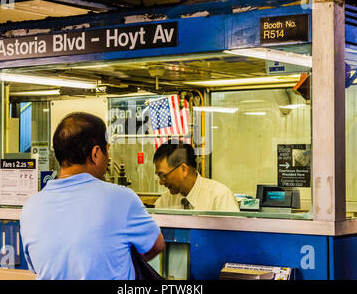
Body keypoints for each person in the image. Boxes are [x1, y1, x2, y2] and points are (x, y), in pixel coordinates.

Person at [20, 112, 165, 280]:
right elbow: (156, 244)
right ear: (96, 153)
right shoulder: (120, 198)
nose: (109, 158)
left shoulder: (31, 207)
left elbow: (37, 267)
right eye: (107, 151)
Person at [153, 141, 240, 212]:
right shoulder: (163, 203)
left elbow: (234, 233)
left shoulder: (220, 198)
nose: (161, 182)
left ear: (183, 169)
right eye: (159, 176)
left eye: (163, 176)